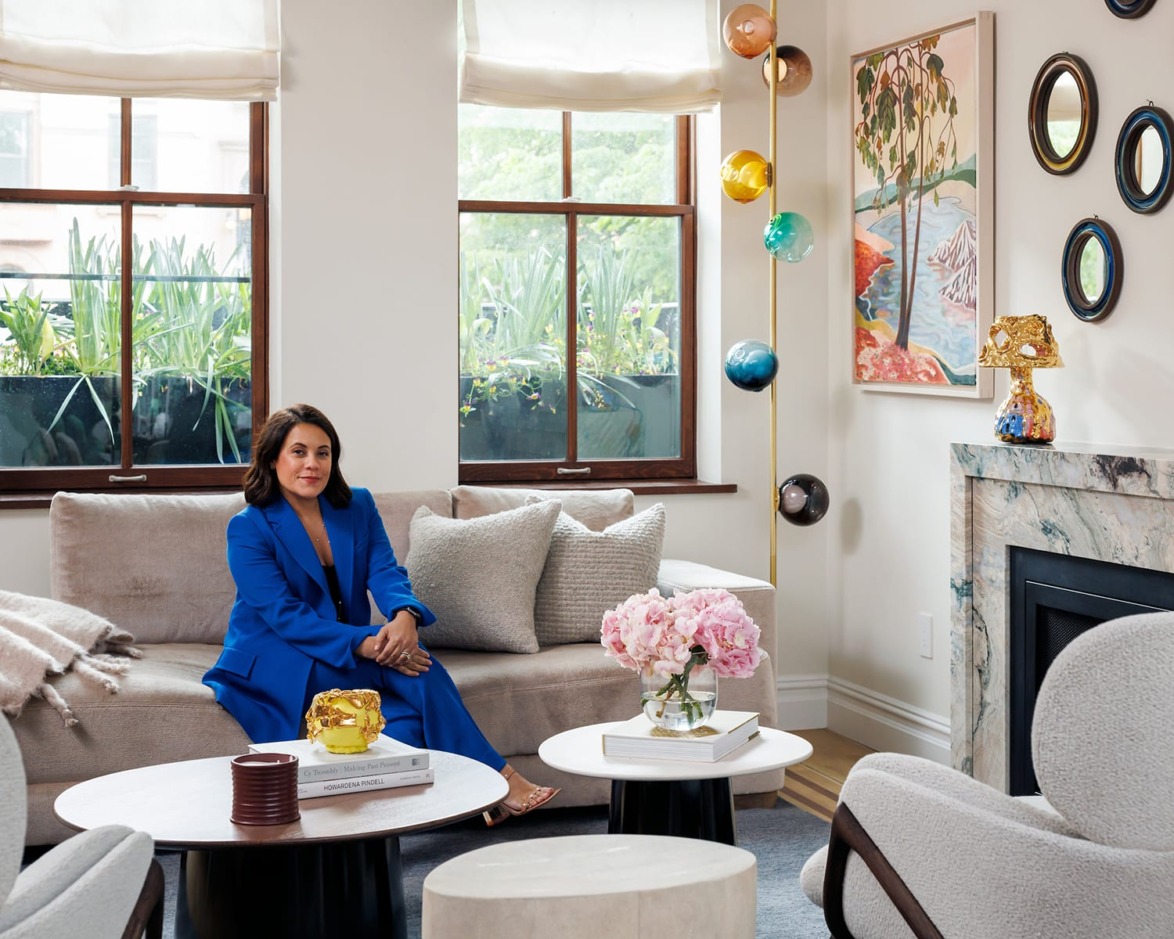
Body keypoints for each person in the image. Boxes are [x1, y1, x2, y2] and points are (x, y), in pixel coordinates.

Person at [202, 403, 558, 825]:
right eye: (299, 452)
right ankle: (501, 781)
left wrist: (405, 615)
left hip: (343, 647)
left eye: (323, 452)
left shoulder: (357, 506)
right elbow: (285, 616)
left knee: (405, 722)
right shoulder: (249, 526)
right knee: (415, 667)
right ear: (273, 458)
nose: (312, 464)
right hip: (276, 659)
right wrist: (368, 644)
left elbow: (384, 570)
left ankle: (472, 801)